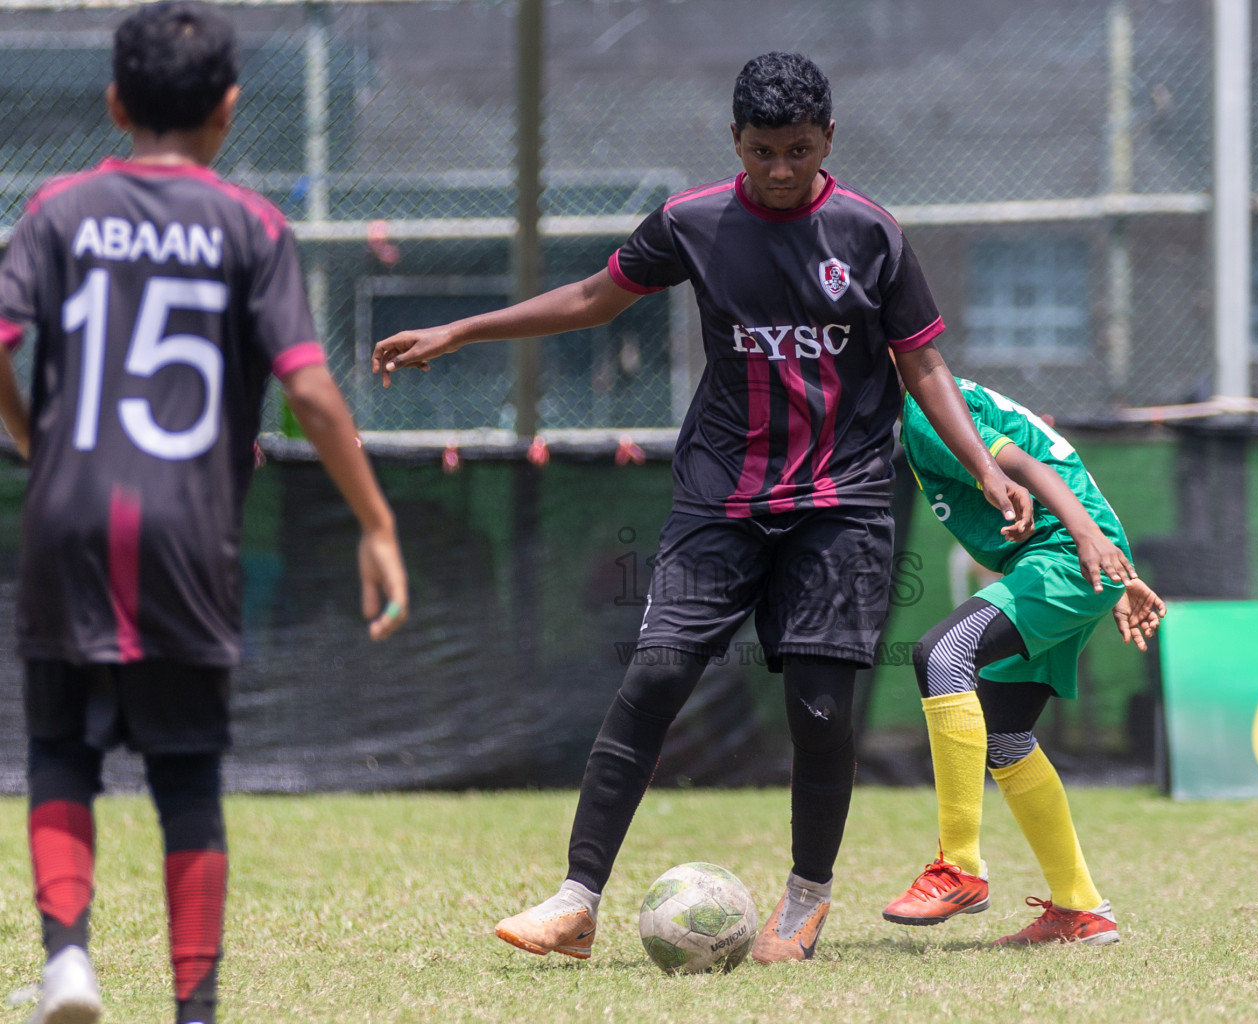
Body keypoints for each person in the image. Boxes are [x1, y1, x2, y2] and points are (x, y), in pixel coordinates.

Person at [371, 52, 1031, 963]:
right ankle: (575, 902)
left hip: (841, 501)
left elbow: (923, 364)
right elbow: (595, 297)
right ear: (736, 142)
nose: (782, 169)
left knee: (821, 709)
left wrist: (985, 469)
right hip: (721, 494)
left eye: (800, 149)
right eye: (764, 151)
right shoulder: (694, 222)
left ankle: (804, 901)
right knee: (653, 678)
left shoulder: (872, 235)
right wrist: (462, 330)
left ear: (829, 139)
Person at [0, 5, 409, 1022]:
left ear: (113, 101)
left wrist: (29, 438)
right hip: (190, 527)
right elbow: (310, 391)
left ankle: (69, 962)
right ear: (230, 107)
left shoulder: (55, 209)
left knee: (61, 753)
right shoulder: (252, 225)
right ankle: (193, 1010)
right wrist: (375, 520)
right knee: (186, 779)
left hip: (64, 518)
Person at [880, 377, 1164, 946]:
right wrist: (1116, 565)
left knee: (942, 654)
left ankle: (959, 866)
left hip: (1063, 557)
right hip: (1074, 556)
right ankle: (1081, 910)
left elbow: (1032, 468)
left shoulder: (924, 410)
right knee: (1005, 732)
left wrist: (1087, 538)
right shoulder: (938, 396)